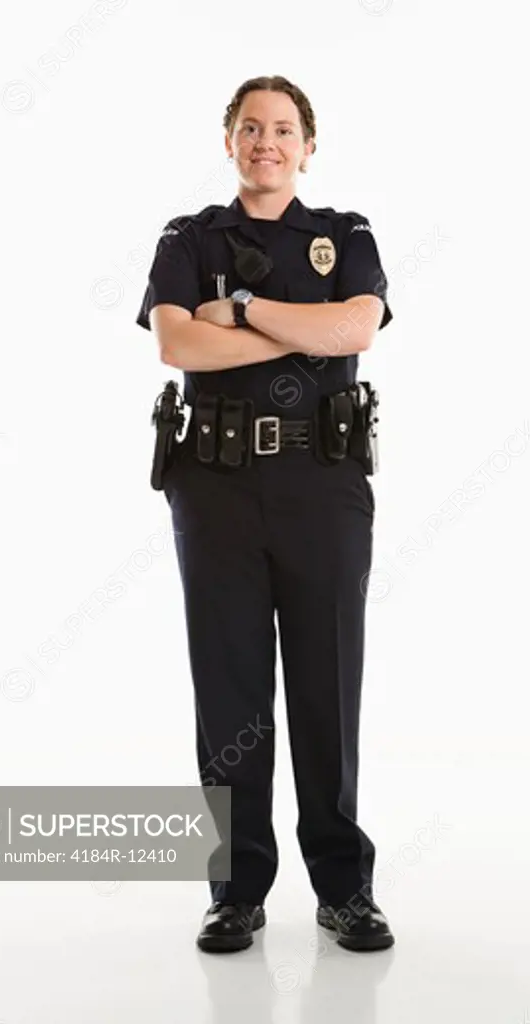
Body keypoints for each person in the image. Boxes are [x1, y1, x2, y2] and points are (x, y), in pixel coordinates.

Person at [136, 75, 394, 954]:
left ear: (308, 146)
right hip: (214, 483)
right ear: (229, 142)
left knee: (326, 683)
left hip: (322, 483)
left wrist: (242, 311)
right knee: (229, 685)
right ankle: (235, 890)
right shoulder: (189, 236)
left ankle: (344, 887)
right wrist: (300, 327)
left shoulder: (343, 235)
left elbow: (354, 330)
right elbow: (177, 342)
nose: (266, 142)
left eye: (283, 129)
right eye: (250, 128)